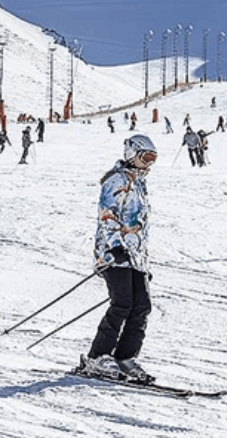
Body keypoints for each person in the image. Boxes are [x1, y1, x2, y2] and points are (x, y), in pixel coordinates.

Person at [77, 134, 158, 385]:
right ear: (132, 154)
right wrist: (114, 247)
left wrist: (143, 261)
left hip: (136, 257)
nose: (149, 163)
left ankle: (125, 357)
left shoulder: (139, 183)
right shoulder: (116, 180)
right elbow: (107, 215)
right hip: (114, 253)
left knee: (142, 306)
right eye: (146, 157)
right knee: (122, 304)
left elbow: (139, 224)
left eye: (153, 159)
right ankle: (97, 356)